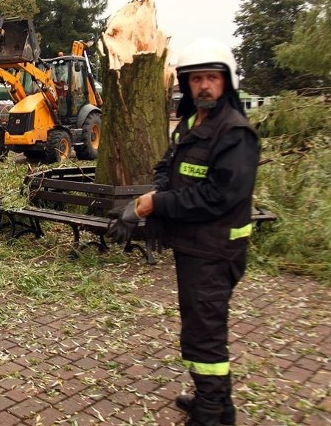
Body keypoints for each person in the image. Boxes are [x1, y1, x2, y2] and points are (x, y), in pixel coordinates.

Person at [132, 38, 259, 426]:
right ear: (186, 84)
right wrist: (158, 189)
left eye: (212, 78)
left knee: (204, 332)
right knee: (199, 326)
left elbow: (219, 196)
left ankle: (210, 413)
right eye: (197, 79)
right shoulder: (190, 122)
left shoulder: (235, 133)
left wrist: (159, 204)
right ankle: (217, 402)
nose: (204, 86)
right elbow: (167, 165)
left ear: (227, 83)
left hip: (217, 249)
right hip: (193, 246)